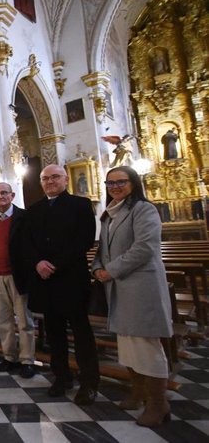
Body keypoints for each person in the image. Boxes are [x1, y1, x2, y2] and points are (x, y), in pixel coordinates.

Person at [92, 166, 173, 427]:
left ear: (133, 184)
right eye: (110, 183)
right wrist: (96, 268)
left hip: (141, 287)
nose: (114, 187)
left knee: (146, 347)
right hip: (119, 289)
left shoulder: (144, 209)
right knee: (127, 346)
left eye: (120, 182)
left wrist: (110, 271)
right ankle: (138, 393)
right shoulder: (109, 215)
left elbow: (145, 248)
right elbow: (102, 249)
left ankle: (158, 404)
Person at [23, 164, 99, 405]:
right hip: (45, 281)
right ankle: (61, 377)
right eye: (45, 178)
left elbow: (84, 240)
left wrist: (53, 264)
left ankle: (88, 382)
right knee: (54, 333)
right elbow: (28, 243)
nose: (50, 181)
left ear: (66, 179)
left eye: (55, 177)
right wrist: (37, 263)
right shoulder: (34, 209)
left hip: (71, 278)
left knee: (81, 333)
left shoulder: (80, 205)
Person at [0, 183, 35, 378]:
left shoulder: (25, 217)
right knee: (3, 320)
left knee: (24, 321)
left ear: (12, 195)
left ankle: (27, 360)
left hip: (17, 275)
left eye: (4, 193)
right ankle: (9, 357)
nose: (0, 196)